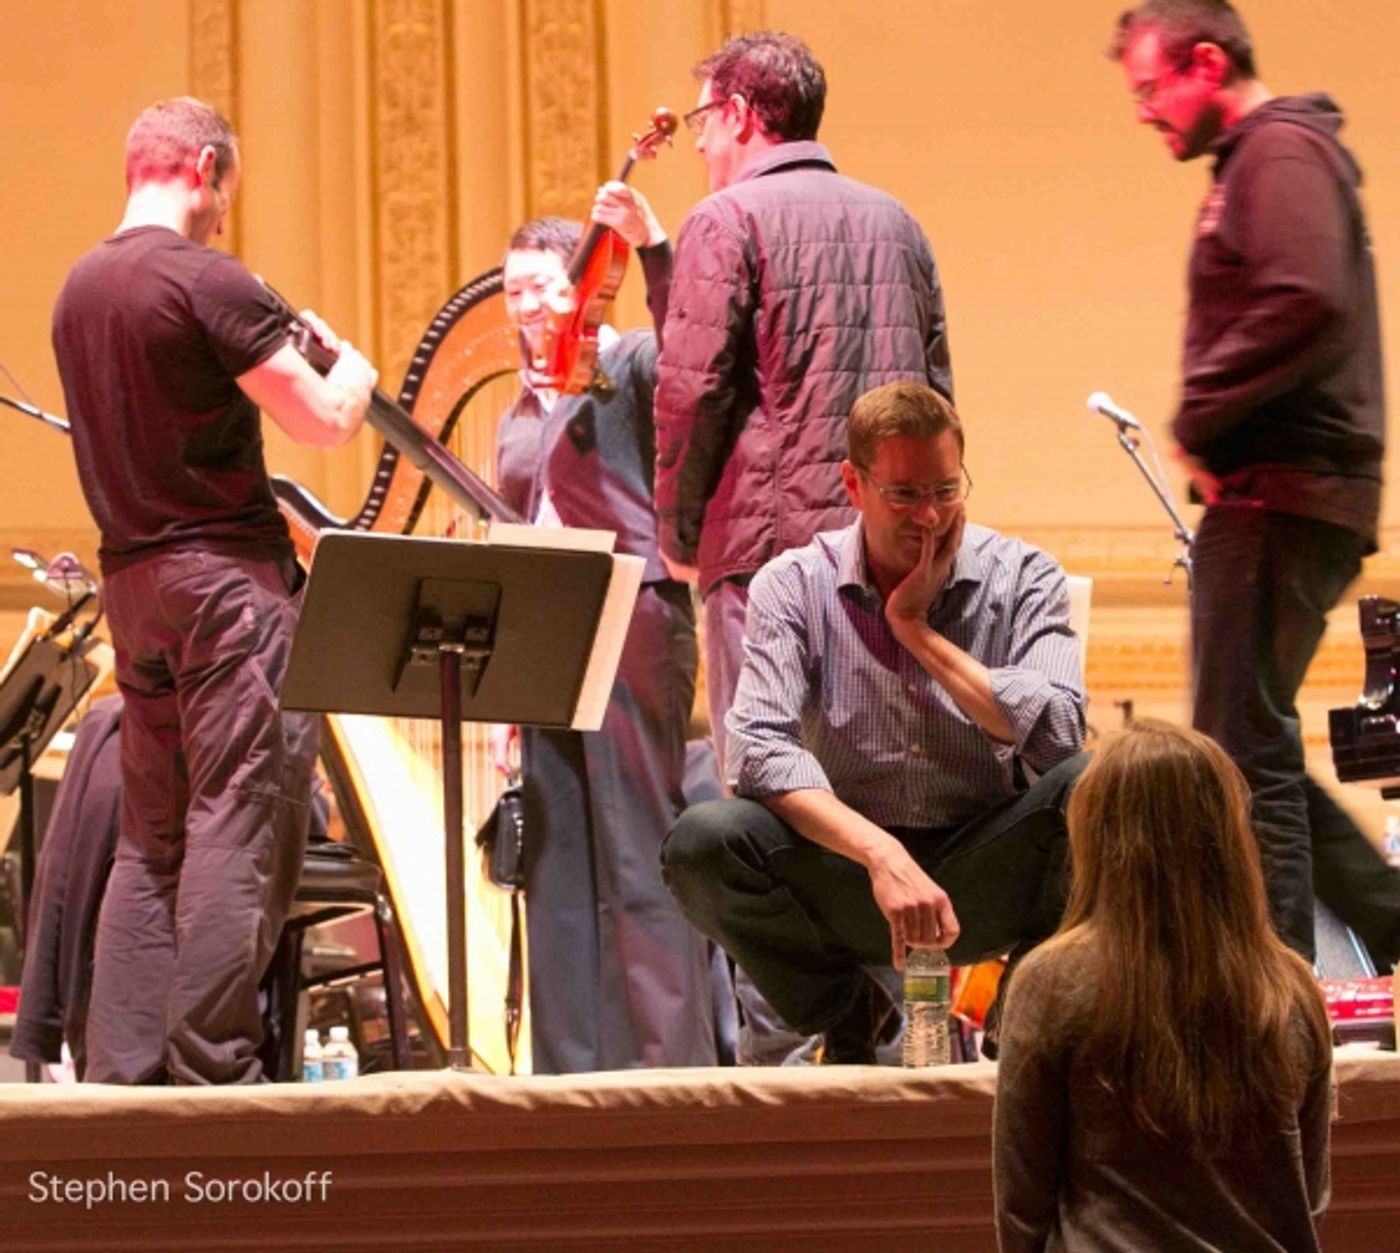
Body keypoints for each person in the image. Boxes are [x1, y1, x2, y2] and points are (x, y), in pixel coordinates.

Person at [51, 97, 377, 1084]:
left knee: (153, 840)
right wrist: (351, 366)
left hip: (134, 586)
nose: (225, 213)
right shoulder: (205, 278)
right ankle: (213, 1070)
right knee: (241, 814)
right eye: (226, 189)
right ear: (201, 166)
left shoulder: (79, 288)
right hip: (227, 589)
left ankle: (124, 1071)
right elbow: (322, 421)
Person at [660, 381, 1087, 1063]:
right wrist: (881, 855)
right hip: (852, 875)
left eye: (946, 491)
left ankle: (1030, 1004)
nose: (930, 516)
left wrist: (915, 630)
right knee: (702, 842)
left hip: (979, 869)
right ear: (852, 485)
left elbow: (1061, 731)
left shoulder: (1025, 575)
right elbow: (758, 752)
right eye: (905, 494)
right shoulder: (791, 584)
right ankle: (851, 1011)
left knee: (1105, 786)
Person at [1110, 0, 1399, 968]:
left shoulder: (1274, 157)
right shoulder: (1267, 160)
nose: (1143, 114)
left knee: (1238, 758)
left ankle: (1273, 996)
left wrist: (1198, 416)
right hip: (1292, 492)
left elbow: (1303, 296)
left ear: (1204, 61)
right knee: (1249, 745)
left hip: (1278, 491)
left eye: (1151, 90)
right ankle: (1382, 926)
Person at [653, 30, 953, 775]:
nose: (698, 146)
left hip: (765, 561)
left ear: (742, 113)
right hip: (894, 563)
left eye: (702, 123)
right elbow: (938, 402)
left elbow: (691, 393)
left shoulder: (724, 220)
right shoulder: (900, 224)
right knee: (884, 796)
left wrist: (680, 535)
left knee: (767, 802)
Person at [489, 188, 718, 1072]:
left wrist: (650, 243)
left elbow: (697, 353)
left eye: (546, 286)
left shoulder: (632, 363)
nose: (529, 307)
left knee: (635, 843)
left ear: (586, 286)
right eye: (512, 290)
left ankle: (664, 1064)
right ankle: (569, 1065)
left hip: (630, 611)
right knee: (557, 860)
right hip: (543, 628)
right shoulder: (516, 414)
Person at [995, 719, 1334, 1251]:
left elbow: (1023, 1206)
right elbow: (1308, 1196)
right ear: (1230, 835)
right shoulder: (1291, 986)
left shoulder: (1049, 980)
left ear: (1097, 833)